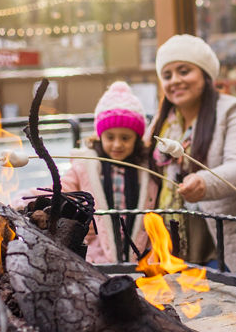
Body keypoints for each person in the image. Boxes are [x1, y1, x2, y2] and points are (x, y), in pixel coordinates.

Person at [150, 34, 236, 274]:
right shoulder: (164, 125)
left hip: (224, 244)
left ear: (205, 74)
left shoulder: (235, 112)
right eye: (167, 75)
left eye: (184, 71)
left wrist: (204, 182)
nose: (175, 81)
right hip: (174, 243)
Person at [15, 81, 157, 263]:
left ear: (136, 138)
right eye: (110, 137)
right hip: (98, 258)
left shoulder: (146, 170)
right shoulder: (86, 167)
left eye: (125, 138)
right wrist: (26, 199)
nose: (117, 144)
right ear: (100, 136)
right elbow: (61, 190)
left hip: (141, 258)